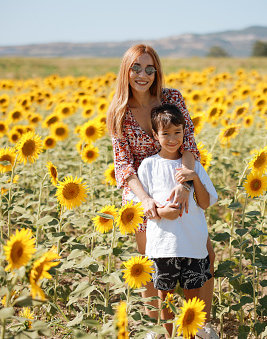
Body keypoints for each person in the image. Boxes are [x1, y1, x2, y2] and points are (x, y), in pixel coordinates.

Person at [107, 44, 218, 338]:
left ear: (156, 71)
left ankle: (202, 325)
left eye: (149, 69)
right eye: (136, 68)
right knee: (151, 262)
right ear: (126, 71)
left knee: (205, 253)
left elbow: (189, 143)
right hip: (142, 190)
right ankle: (158, 328)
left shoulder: (171, 98)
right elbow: (123, 165)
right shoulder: (118, 111)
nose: (143, 75)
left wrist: (184, 185)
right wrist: (147, 202)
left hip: (179, 178)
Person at [131, 104, 217, 338]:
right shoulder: (148, 165)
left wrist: (193, 178)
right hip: (163, 245)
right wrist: (160, 211)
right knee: (164, 296)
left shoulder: (193, 165)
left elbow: (206, 202)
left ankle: (190, 334)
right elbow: (139, 205)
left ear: (184, 132)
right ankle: (167, 335)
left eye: (177, 132)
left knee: (193, 297)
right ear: (155, 136)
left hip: (193, 244)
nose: (172, 139)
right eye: (165, 133)